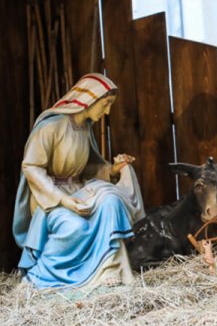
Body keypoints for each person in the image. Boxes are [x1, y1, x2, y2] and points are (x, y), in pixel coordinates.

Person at [13, 73, 145, 290]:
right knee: (74, 226)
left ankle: (108, 268)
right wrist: (63, 200)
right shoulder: (51, 126)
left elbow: (88, 168)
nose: (108, 111)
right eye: (106, 104)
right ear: (89, 100)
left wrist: (113, 170)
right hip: (51, 197)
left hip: (78, 191)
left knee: (110, 200)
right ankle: (37, 279)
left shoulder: (84, 129)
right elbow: (31, 166)